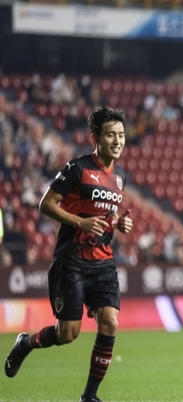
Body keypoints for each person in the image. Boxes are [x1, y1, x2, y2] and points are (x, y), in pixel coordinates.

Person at [3, 107, 133, 402]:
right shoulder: (77, 168)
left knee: (110, 322)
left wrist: (119, 223)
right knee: (67, 334)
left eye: (121, 135)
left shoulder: (121, 176)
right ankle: (25, 344)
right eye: (111, 134)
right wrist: (79, 222)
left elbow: (104, 217)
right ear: (95, 138)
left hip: (103, 260)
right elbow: (45, 204)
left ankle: (89, 396)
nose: (117, 140)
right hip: (71, 261)